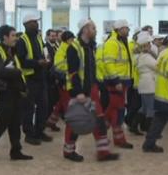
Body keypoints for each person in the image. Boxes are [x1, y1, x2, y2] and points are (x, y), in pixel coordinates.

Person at [63, 19, 120, 162]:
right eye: (93, 28)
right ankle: (68, 151)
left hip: (91, 89)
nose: (95, 30)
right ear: (85, 30)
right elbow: (73, 73)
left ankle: (103, 152)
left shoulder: (90, 47)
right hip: (79, 91)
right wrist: (78, 92)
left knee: (99, 120)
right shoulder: (74, 48)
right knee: (76, 121)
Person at [0, 25, 33, 164]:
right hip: (4, 93)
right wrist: (18, 72)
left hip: (15, 92)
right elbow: (1, 71)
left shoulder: (11, 51)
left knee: (15, 123)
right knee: (3, 124)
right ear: (5, 37)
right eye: (13, 35)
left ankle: (16, 151)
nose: (16, 38)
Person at [16, 14, 52, 145]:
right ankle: (29, 134)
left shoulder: (38, 38)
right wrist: (37, 63)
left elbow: (44, 51)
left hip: (41, 77)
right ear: (26, 25)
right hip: (29, 78)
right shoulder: (22, 41)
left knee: (44, 106)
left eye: (36, 22)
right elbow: (21, 60)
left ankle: (39, 131)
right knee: (28, 108)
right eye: (33, 22)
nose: (36, 24)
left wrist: (47, 60)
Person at [102, 20, 134, 149]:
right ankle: (103, 133)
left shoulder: (122, 42)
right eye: (126, 28)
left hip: (123, 81)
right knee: (116, 110)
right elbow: (109, 63)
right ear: (119, 29)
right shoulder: (112, 43)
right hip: (116, 82)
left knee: (116, 111)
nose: (128, 31)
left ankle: (115, 138)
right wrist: (116, 81)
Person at [45, 31, 75, 131]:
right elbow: (59, 66)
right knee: (66, 102)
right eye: (71, 39)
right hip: (63, 80)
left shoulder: (66, 48)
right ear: (67, 39)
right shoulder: (63, 50)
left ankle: (51, 121)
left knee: (61, 102)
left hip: (67, 79)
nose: (73, 41)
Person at [136, 33, 156, 132]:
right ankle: (149, 129)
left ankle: (135, 125)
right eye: (149, 43)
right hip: (149, 85)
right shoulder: (146, 57)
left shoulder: (141, 56)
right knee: (150, 109)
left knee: (144, 108)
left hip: (144, 84)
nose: (150, 45)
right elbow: (157, 66)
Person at [44, 29, 61, 132]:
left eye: (55, 36)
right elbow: (48, 61)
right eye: (52, 36)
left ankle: (51, 121)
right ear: (47, 36)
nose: (54, 38)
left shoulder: (57, 46)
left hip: (57, 76)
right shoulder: (46, 47)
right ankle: (48, 121)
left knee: (55, 100)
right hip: (49, 77)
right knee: (50, 101)